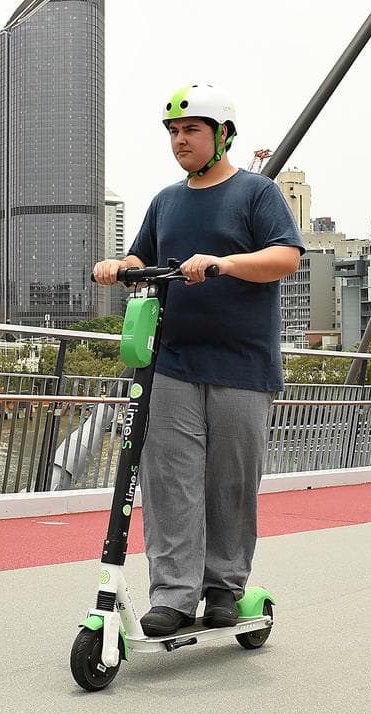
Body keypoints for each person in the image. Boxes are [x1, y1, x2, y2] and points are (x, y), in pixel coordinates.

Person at [92, 83, 304, 637]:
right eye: (173, 132)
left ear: (222, 135)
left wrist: (224, 263)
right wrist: (118, 266)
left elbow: (286, 256)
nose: (180, 140)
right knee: (169, 480)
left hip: (242, 365)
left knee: (231, 481)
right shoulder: (166, 200)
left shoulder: (257, 193)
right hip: (172, 362)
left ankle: (224, 587)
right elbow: (141, 255)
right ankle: (173, 594)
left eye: (191, 129)